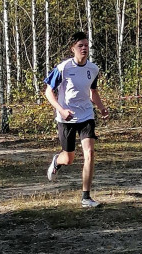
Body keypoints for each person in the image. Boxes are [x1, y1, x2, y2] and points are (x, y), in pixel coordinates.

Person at [44, 31, 108, 208]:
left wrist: (101, 107)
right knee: (69, 158)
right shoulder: (63, 68)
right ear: (73, 48)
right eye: (80, 45)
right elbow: (48, 92)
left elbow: (93, 92)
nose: (84, 48)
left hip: (86, 115)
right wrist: (62, 110)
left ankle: (86, 197)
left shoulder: (93, 69)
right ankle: (57, 161)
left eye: (86, 45)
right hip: (66, 118)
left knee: (90, 153)